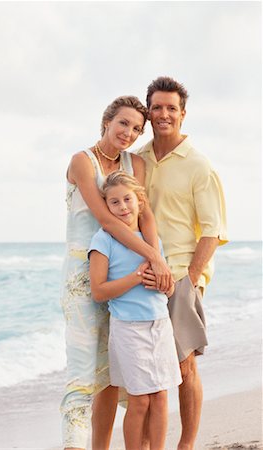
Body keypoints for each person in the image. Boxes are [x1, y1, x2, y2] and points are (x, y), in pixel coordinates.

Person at [60, 95, 173, 450]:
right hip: (86, 279)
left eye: (137, 128)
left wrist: (156, 260)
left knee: (110, 379)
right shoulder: (82, 161)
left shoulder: (134, 163)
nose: (128, 132)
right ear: (106, 121)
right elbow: (107, 220)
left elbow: (146, 215)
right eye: (123, 123)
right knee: (82, 378)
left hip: (128, 277)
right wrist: (154, 259)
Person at [137, 76, 228, 450]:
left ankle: (186, 445)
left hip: (181, 278)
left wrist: (189, 281)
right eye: (156, 107)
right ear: (148, 111)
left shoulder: (198, 165)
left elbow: (213, 230)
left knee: (184, 365)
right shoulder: (138, 158)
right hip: (141, 278)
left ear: (183, 114)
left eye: (171, 108)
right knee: (145, 373)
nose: (163, 114)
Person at [88, 171, 182, 450]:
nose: (122, 207)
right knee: (140, 399)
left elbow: (169, 289)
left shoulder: (152, 241)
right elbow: (98, 291)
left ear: (139, 201)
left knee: (161, 397)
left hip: (160, 324)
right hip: (129, 328)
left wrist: (164, 285)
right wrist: (136, 277)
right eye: (114, 203)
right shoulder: (103, 240)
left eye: (127, 199)